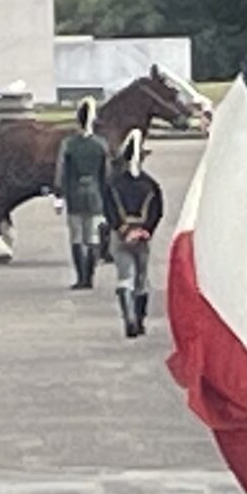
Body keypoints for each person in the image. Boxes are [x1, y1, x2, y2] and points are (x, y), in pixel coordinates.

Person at [102, 129, 164, 338]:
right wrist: (145, 230)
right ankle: (139, 319)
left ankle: (127, 316)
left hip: (121, 235)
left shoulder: (112, 184)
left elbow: (108, 210)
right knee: (142, 279)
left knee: (125, 276)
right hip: (144, 237)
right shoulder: (151, 185)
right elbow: (158, 211)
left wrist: (122, 229)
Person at [55, 98, 110, 290]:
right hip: (95, 196)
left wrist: (59, 195)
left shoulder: (68, 144)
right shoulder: (101, 145)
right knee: (92, 237)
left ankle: (81, 277)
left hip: (74, 194)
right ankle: (90, 277)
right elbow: (106, 175)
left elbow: (61, 172)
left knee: (77, 237)